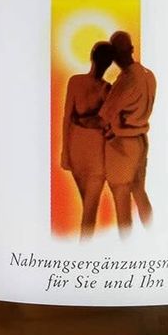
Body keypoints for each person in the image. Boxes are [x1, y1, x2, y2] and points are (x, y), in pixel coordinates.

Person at [99, 31, 156, 234]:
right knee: (139, 192)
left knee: (121, 198)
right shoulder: (148, 75)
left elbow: (105, 114)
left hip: (122, 145)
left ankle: (127, 245)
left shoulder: (127, 79)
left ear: (115, 55)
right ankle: (153, 234)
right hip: (140, 140)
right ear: (131, 49)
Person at [61, 41, 113, 239]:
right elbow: (67, 118)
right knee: (87, 207)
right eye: (102, 59)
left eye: (107, 60)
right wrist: (65, 153)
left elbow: (105, 122)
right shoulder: (76, 82)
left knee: (89, 210)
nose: (103, 64)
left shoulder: (107, 89)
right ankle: (87, 249)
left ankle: (85, 250)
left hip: (97, 156)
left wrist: (84, 120)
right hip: (78, 153)